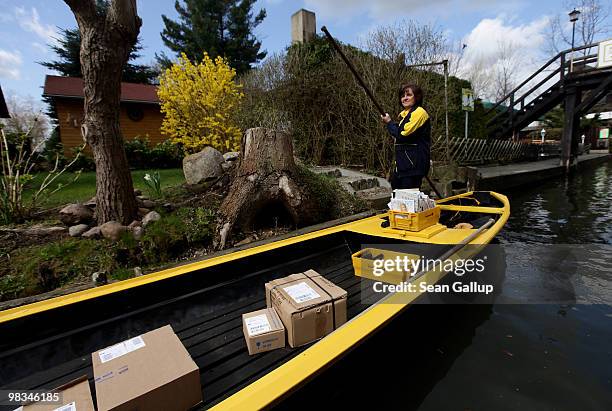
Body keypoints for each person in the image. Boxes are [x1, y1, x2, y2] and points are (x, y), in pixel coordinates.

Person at [381, 83, 431, 190]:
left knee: (409, 199)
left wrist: (389, 123)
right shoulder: (405, 115)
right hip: (403, 166)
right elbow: (400, 129)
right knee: (396, 190)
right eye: (402, 96)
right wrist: (390, 124)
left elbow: (403, 134)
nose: (404, 98)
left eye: (408, 95)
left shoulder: (419, 113)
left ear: (416, 97)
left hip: (413, 166)